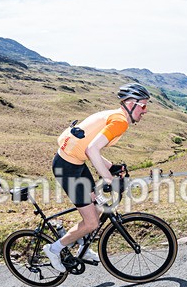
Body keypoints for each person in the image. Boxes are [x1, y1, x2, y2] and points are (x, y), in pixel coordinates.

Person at [44, 82, 150, 272]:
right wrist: (109, 179)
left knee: (100, 206)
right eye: (143, 105)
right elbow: (91, 150)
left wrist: (111, 167)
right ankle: (54, 249)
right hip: (67, 168)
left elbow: (88, 145)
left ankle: (83, 249)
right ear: (131, 103)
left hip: (75, 164)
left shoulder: (116, 116)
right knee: (92, 222)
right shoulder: (120, 121)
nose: (145, 111)